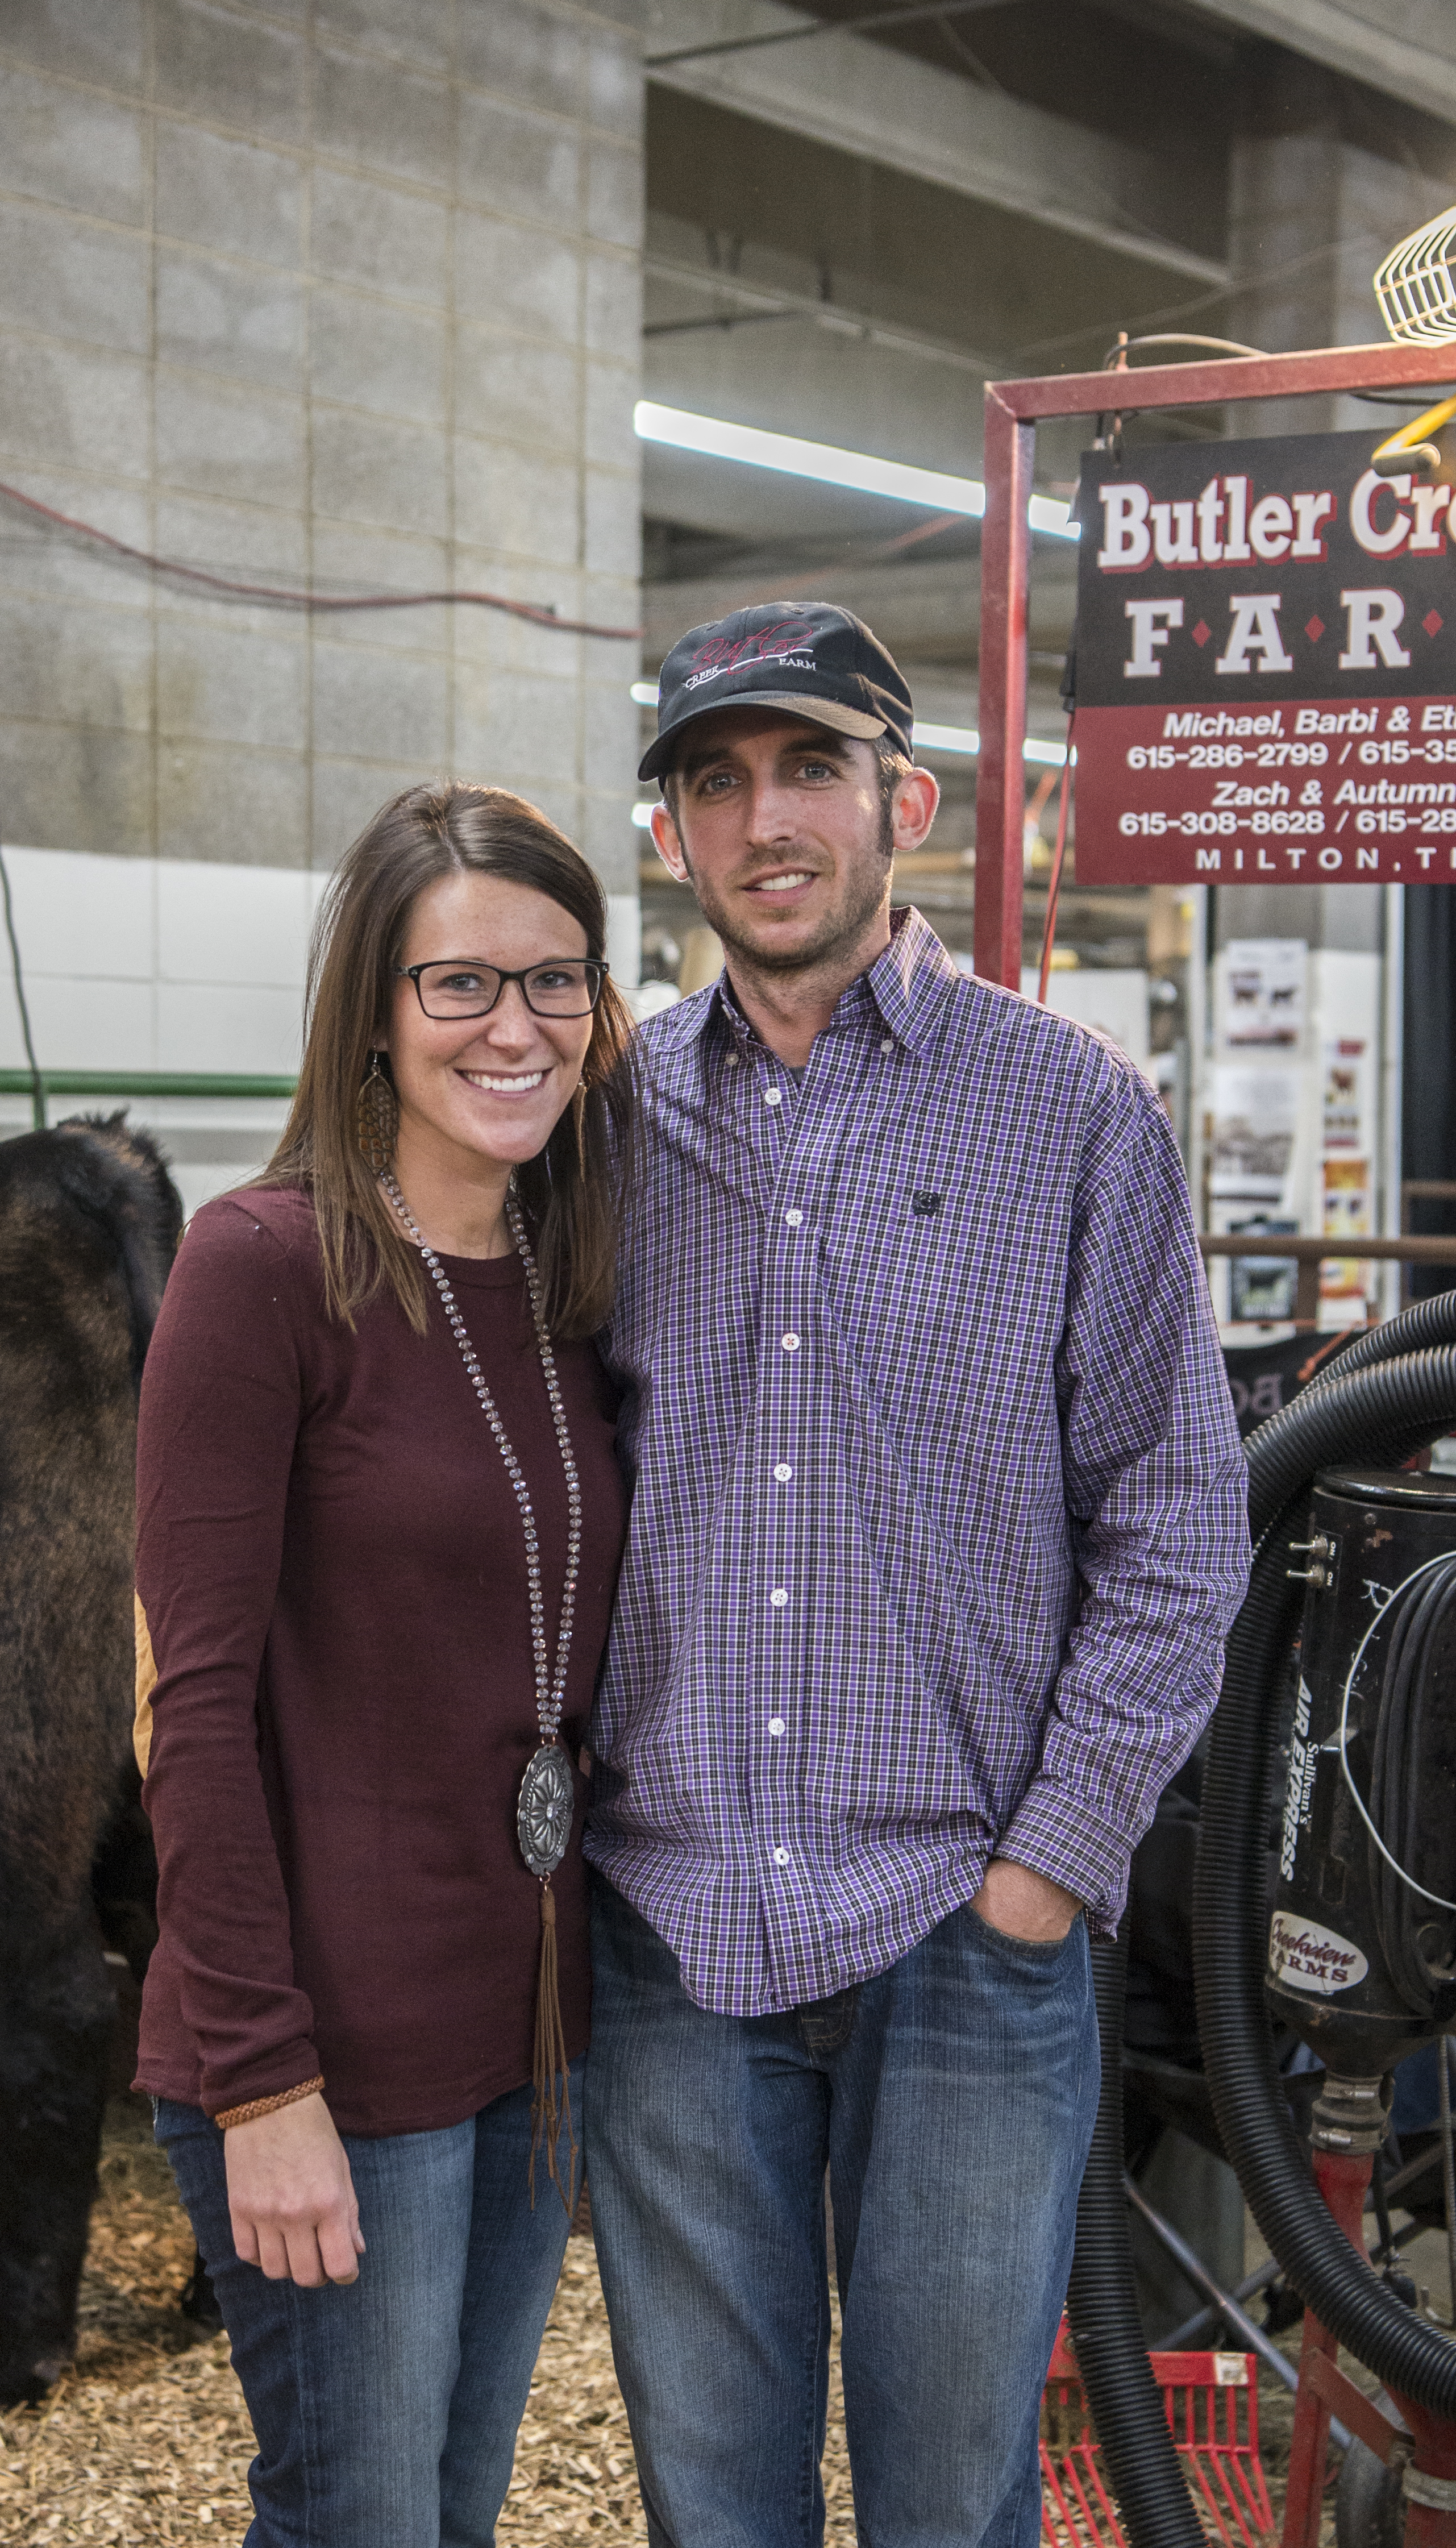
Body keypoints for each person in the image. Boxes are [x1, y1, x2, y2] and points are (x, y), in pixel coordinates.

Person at [586, 602, 1251, 2545]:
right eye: (716, 783)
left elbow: (1176, 1520)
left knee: (956, 2508)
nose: (763, 819)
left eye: (807, 769)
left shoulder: (1071, 1114)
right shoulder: (605, 1127)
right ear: (672, 839)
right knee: (713, 2507)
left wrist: (1050, 1867)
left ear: (909, 801)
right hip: (668, 1932)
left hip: (965, 1930)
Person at [135, 783, 633, 2547]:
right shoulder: (261, 1267)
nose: (517, 1026)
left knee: (448, 2509)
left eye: (556, 980)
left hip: (528, 2033)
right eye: (461, 985)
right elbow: (185, 1712)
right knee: (356, 2518)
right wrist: (262, 2081)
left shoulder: (574, 1275)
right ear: (372, 1009)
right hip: (331, 2048)